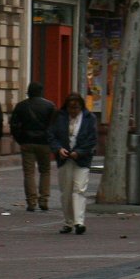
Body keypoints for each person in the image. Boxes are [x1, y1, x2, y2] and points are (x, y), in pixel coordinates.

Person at [48, 91, 97, 235]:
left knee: (79, 189)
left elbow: (92, 139)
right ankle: (68, 222)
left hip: (82, 159)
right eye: (71, 108)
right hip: (64, 159)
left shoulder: (89, 118)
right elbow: (51, 135)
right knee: (66, 191)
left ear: (81, 107)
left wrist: (79, 152)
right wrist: (59, 149)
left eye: (76, 108)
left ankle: (79, 222)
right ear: (67, 107)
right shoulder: (59, 117)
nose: (73, 112)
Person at [9, 82, 56, 212]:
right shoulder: (50, 106)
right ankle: (44, 200)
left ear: (28, 92)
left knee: (29, 172)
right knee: (45, 171)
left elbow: (14, 125)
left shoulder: (21, 106)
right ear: (41, 92)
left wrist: (20, 139)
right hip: (44, 143)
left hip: (27, 142)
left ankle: (31, 201)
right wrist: (51, 140)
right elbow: (54, 125)